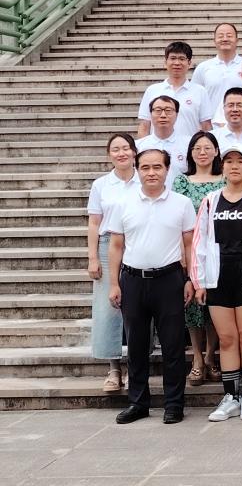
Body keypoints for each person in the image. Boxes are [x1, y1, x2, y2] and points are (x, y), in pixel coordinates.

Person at [107, 148, 197, 425]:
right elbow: (116, 245)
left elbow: (189, 244)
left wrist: (190, 278)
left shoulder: (181, 203)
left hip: (169, 279)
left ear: (167, 169)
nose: (151, 173)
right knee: (136, 346)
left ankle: (174, 404)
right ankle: (138, 403)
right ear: (137, 169)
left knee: (173, 345)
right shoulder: (123, 203)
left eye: (157, 167)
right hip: (133, 280)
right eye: (145, 167)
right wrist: (114, 283)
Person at [191, 145, 242, 422]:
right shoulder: (210, 200)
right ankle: (231, 397)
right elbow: (199, 241)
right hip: (218, 277)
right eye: (229, 161)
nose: (234, 166)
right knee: (227, 339)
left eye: (240, 161)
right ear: (222, 166)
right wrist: (199, 280)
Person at [172, 131, 226, 387]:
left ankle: (210, 356)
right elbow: (175, 217)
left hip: (220, 250)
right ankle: (196, 357)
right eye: (197, 148)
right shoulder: (182, 182)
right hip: (190, 248)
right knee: (193, 306)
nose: (202, 152)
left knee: (214, 305)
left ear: (216, 151)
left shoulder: (225, 179)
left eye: (207, 147)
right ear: (190, 153)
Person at [87, 133, 139, 394]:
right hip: (108, 244)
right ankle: (114, 368)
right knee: (109, 307)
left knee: (138, 305)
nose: (121, 153)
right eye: (116, 149)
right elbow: (94, 222)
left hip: (138, 242)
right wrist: (93, 257)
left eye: (126, 148)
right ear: (109, 155)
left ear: (134, 152)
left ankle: (134, 367)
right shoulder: (101, 185)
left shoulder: (145, 179)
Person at [137, 41, 213, 138]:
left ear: (189, 63)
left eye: (182, 59)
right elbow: (144, 126)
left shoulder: (200, 91)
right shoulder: (152, 90)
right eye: (173, 58)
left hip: (189, 146)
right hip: (158, 147)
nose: (177, 63)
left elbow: (206, 126)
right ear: (165, 62)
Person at [135, 96, 190, 182]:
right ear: (150, 114)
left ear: (176, 115)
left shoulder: (189, 144)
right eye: (158, 110)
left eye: (168, 110)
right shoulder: (138, 146)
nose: (163, 115)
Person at [192, 23, 242, 110]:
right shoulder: (203, 67)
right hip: (211, 118)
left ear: (237, 40)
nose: (225, 39)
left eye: (229, 36)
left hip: (241, 118)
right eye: (220, 36)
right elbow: (195, 97)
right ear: (214, 41)